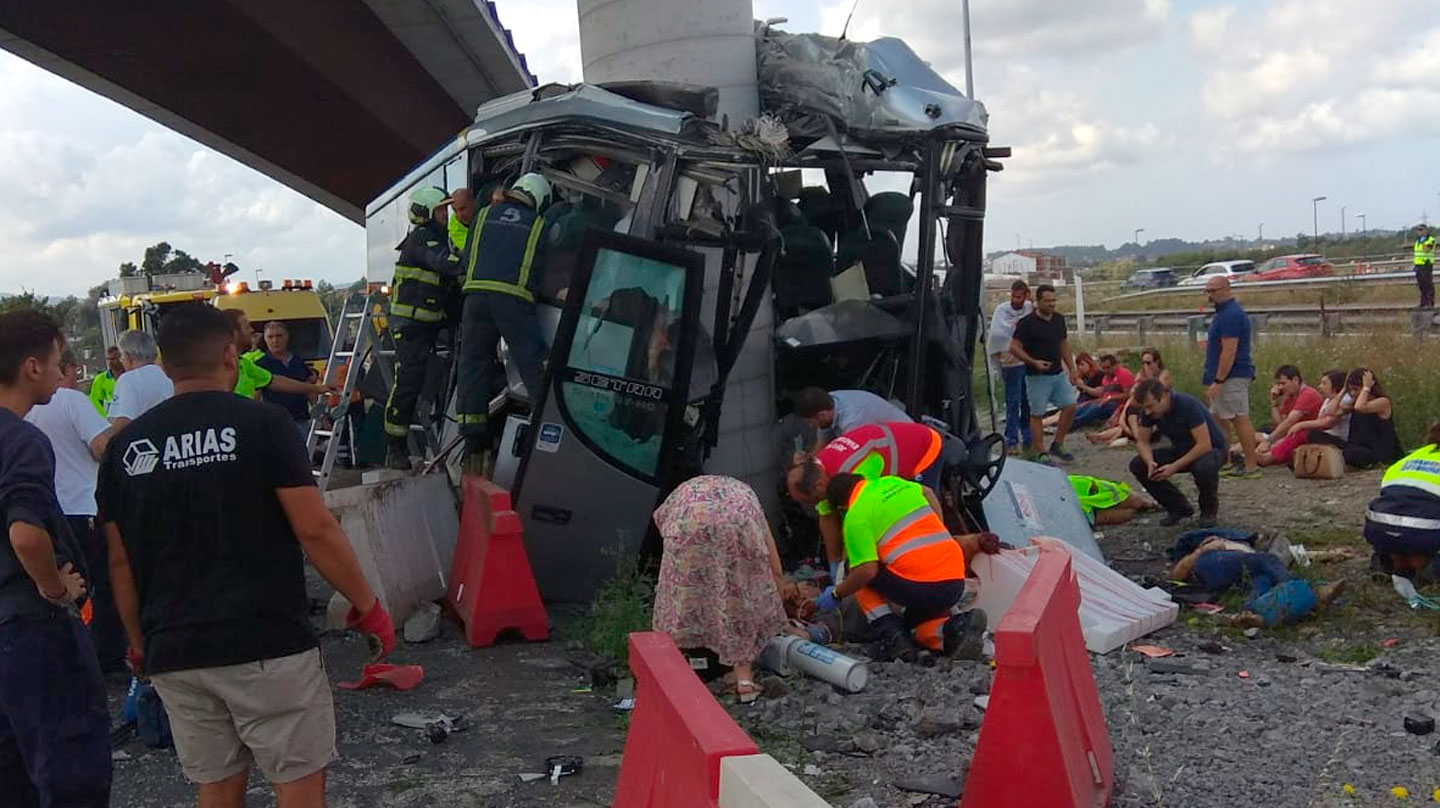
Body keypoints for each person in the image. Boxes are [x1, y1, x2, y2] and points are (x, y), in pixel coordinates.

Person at [96, 303, 394, 807]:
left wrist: (137, 640)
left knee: (216, 786)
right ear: (232, 355)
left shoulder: (126, 449)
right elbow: (315, 530)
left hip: (176, 652)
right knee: (297, 783)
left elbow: (120, 561)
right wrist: (367, 604)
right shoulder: (262, 425)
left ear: (164, 366)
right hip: (265, 645)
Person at [0, 309, 111, 807]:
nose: (63, 369)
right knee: (68, 768)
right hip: (28, 626)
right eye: (57, 359)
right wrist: (54, 588)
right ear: (31, 367)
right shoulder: (21, 440)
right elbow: (25, 533)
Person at [813, 473, 989, 661]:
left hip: (922, 585)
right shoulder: (893, 482)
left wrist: (836, 593)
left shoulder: (856, 516)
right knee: (917, 628)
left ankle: (890, 634)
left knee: (855, 568)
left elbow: (867, 570)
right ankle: (955, 629)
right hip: (954, 579)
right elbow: (928, 492)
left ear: (842, 507)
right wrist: (940, 528)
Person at [25, 348, 123, 674]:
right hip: (85, 507)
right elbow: (101, 446)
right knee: (101, 585)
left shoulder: (21, 412)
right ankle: (105, 656)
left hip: (45, 515)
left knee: (63, 588)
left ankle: (67, 655)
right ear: (66, 369)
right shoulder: (71, 401)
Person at [651, 476, 787, 703]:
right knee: (738, 593)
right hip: (736, 524)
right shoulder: (748, 500)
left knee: (680, 592)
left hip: (686, 523)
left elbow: (661, 523)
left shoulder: (683, 493)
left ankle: (670, 669)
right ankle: (744, 682)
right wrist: (776, 612)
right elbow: (774, 566)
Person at [456, 173, 554, 472]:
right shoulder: (539, 224)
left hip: (475, 299)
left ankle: (474, 440)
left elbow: (466, 258)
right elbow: (542, 270)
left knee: (472, 365)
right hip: (513, 300)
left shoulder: (484, 214)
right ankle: (546, 423)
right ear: (540, 199)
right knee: (532, 363)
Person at [785, 421, 947, 577]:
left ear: (818, 487)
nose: (812, 505)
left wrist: (849, 567)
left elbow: (860, 520)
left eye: (811, 501)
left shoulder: (852, 470)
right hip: (898, 448)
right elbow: (827, 520)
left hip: (923, 450)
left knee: (918, 515)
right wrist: (835, 566)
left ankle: (940, 553)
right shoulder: (819, 471)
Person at [385, 186, 465, 470]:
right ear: (426, 213)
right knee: (407, 383)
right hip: (411, 328)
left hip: (429, 325)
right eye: (442, 210)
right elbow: (445, 264)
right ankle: (395, 448)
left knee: (429, 380)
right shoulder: (422, 240)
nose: (447, 214)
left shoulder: (439, 239)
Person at [1129, 378, 1228, 527]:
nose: (1148, 411)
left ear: (1163, 397)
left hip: (1212, 449)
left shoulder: (1187, 405)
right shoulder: (1149, 413)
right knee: (1138, 465)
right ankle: (1178, 507)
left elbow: (1204, 444)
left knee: (1203, 467)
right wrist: (1150, 462)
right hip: (1182, 448)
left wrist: (1174, 467)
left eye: (1151, 406)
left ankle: (1208, 511)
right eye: (1145, 408)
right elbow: (1142, 441)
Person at [1009, 284, 1077, 464]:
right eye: (1047, 301)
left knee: (1070, 405)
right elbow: (1014, 347)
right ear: (1038, 302)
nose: (1051, 304)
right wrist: (1032, 362)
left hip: (1057, 374)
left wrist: (1072, 368)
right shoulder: (1026, 323)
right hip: (1036, 376)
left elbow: (1063, 344)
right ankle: (1040, 452)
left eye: (1053, 301)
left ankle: (1058, 444)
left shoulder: (1059, 320)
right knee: (1037, 414)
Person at [1364, 422, 1440, 584]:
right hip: (1422, 531)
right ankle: (1430, 567)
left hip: (1378, 526)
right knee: (1417, 533)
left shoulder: (1412, 457)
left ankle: (1386, 560)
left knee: (1402, 535)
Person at [1202, 277, 1261, 479]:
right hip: (1220, 374)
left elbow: (1229, 351)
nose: (1210, 295)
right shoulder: (1222, 314)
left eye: (1213, 290)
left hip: (1232, 375)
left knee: (1238, 417)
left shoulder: (1231, 315)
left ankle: (1251, 464)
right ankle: (1224, 460)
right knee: (1219, 418)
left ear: (1226, 289)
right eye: (1207, 291)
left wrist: (1219, 379)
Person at [223, 311, 331, 405]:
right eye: (246, 327)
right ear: (234, 332)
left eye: (279, 336)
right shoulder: (218, 366)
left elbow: (276, 382)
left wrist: (318, 388)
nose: (252, 330)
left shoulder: (245, 364)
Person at [1256, 369, 1351, 467]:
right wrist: (1274, 403)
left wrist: (1301, 425)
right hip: (1322, 433)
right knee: (1265, 430)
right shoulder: (1327, 400)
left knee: (1302, 433)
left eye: (1324, 384)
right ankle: (1246, 452)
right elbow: (1280, 423)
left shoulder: (1344, 399)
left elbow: (1328, 422)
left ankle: (1267, 457)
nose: (1320, 387)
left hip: (1336, 437)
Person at [1088, 348, 1171, 447]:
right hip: (1138, 406)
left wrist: (1148, 377)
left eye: (1148, 363)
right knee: (1128, 414)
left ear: (1157, 362)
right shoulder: (1141, 374)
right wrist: (1123, 413)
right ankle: (1101, 436)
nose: (1145, 366)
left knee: (1130, 414)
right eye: (1143, 363)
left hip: (1155, 407)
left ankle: (1135, 437)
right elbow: (1133, 393)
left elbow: (1156, 390)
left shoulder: (1163, 374)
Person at [988, 280, 1034, 453]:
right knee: (1013, 400)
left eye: (1020, 297)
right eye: (1014, 296)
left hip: (1027, 359)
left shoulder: (1029, 308)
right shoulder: (1002, 310)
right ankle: (1012, 439)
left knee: (1026, 400)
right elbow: (998, 333)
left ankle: (1028, 437)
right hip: (1010, 360)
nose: (1016, 300)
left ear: (1026, 295)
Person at [256, 321, 317, 442]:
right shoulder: (260, 365)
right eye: (270, 337)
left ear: (287, 337)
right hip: (275, 423)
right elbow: (255, 397)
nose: (275, 341)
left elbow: (309, 389)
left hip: (301, 420)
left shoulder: (297, 361)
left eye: (279, 336)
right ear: (265, 339)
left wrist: (320, 416)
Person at [793, 387, 912, 447]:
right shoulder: (829, 401)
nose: (811, 426)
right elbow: (822, 442)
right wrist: (809, 461)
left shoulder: (852, 422)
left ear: (821, 415)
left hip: (906, 442)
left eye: (811, 422)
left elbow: (849, 456)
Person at [1330, 368, 1400, 469]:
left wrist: (1366, 388)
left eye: (1355, 389)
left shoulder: (1382, 402)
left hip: (1376, 451)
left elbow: (1360, 407)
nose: (1353, 393)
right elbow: (1331, 412)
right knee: (1315, 435)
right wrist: (1344, 390)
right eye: (1350, 390)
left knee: (1350, 453)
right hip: (1356, 446)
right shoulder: (1355, 403)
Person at [108, 329, 173, 431]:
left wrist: (110, 444)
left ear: (128, 357)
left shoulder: (128, 380)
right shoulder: (168, 377)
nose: (122, 361)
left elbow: (123, 420)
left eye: (122, 356)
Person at [1261, 365, 1323, 448]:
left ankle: (1251, 456)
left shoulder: (1308, 394)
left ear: (1295, 380)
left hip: (1304, 434)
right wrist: (1274, 402)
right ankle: (1239, 454)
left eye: (1283, 383)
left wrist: (1269, 440)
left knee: (1266, 443)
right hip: (1291, 432)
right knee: (1257, 435)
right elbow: (1280, 423)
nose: (1280, 387)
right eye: (1278, 384)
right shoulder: (1289, 396)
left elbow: (1290, 421)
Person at [1072, 354, 1135, 427]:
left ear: (1115, 365)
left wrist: (1110, 398)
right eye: (1103, 368)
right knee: (1085, 406)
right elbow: (1103, 396)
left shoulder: (1123, 374)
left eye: (1108, 368)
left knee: (1096, 408)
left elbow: (1128, 395)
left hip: (1118, 405)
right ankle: (1067, 420)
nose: (1106, 370)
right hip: (1106, 402)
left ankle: (1073, 424)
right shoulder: (1105, 378)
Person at [1070, 475, 1155, 527]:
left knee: (1136, 502)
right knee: (1125, 515)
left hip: (1101, 494)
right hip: (1085, 511)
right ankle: (1140, 509)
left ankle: (1149, 505)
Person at [87, 345, 125, 417]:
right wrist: (105, 418)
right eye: (108, 359)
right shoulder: (101, 379)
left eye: (113, 359)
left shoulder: (129, 375)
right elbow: (95, 402)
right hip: (112, 418)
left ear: (121, 358)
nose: (110, 362)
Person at [447, 187, 479, 253]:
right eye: (455, 210)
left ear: (474, 203)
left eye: (462, 209)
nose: (459, 215)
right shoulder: (454, 226)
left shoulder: (487, 214)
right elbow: (473, 250)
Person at [1412, 223, 1436, 308]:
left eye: (1421, 230)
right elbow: (1417, 254)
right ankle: (1423, 302)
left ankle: (1430, 302)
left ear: (1426, 230)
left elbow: (1426, 250)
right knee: (1421, 285)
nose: (1419, 232)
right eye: (1418, 230)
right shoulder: (1417, 241)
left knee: (1428, 284)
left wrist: (1423, 243)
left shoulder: (1430, 240)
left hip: (1426, 264)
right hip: (1419, 265)